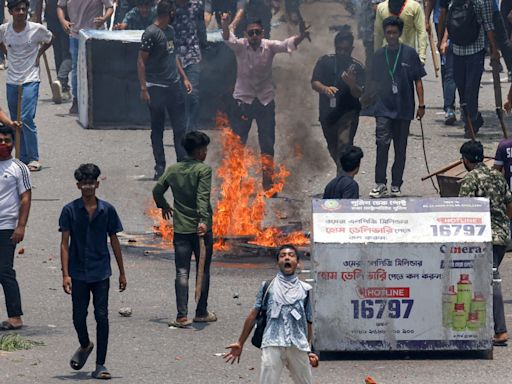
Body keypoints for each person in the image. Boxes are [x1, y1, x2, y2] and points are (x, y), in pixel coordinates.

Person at [222, 14, 308, 193]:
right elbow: (226, 37)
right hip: (243, 101)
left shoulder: (269, 46)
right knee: (238, 144)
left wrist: (301, 35)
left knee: (267, 144)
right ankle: (235, 183)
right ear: (245, 34)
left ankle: (268, 183)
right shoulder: (240, 47)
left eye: (257, 32)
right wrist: (224, 24)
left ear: (262, 33)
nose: (254, 36)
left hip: (265, 101)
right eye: (251, 33)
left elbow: (286, 44)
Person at [59, 163, 127, 380]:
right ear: (78, 185)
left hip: (101, 272)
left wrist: (122, 272)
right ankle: (85, 344)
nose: (88, 187)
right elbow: (64, 243)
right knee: (79, 316)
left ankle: (100, 364)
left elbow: (114, 241)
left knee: (102, 316)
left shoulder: (107, 210)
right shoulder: (70, 210)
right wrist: (65, 274)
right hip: (78, 272)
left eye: (91, 183)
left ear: (97, 184)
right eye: (84, 183)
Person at [224, 244, 319, 384]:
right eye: (282, 255)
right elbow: (253, 314)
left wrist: (308, 350)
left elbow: (308, 321)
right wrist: (240, 342)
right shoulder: (268, 286)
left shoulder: (304, 290)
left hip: (297, 344)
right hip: (272, 342)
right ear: (278, 262)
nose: (287, 257)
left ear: (297, 263)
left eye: (291, 255)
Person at [152, 131, 215, 328]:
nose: (205, 152)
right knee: (202, 270)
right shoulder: (203, 170)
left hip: (181, 229)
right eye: (204, 149)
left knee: (181, 271)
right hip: (200, 230)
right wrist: (203, 220)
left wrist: (163, 205)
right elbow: (202, 197)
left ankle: (181, 316)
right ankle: (201, 312)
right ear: (198, 152)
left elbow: (157, 190)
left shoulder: (173, 169)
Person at [458, 141, 512, 346]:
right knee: (487, 277)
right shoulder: (498, 178)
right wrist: (503, 225)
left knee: (491, 278)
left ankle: (500, 330)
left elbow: (462, 211)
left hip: (483, 238)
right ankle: (482, 325)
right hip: (501, 237)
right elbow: (509, 205)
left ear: (466, 159)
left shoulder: (470, 179)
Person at [367, 16, 425, 198]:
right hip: (383, 108)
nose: (391, 36)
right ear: (384, 34)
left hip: (404, 108)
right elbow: (372, 82)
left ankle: (396, 184)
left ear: (400, 33)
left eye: (394, 32)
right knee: (382, 145)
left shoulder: (409, 53)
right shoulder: (378, 55)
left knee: (400, 148)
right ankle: (380, 183)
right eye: (388, 32)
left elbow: (418, 80)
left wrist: (422, 104)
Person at [137, 0, 192, 180]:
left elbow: (173, 55)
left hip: (174, 86)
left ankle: (182, 164)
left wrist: (184, 77)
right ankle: (160, 166)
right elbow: (141, 61)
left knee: (180, 128)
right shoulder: (151, 34)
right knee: (158, 129)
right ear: (169, 13)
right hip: (157, 88)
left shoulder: (170, 31)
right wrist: (144, 87)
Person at [0, 0, 53, 172]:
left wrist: (39, 54)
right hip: (12, 80)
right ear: (11, 12)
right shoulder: (4, 30)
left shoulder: (36, 29)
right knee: (15, 121)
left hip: (31, 78)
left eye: (24, 9)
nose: (21, 12)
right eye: (18, 9)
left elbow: (50, 39)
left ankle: (34, 158)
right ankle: (21, 157)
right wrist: (6, 53)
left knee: (27, 118)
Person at [439, 0, 498, 138]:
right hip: (457, 50)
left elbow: (488, 24)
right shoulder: (454, 2)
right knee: (461, 88)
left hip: (475, 51)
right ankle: (474, 118)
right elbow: (449, 21)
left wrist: (494, 49)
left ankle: (470, 125)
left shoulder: (483, 2)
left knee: (471, 89)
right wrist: (444, 40)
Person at [311, 26, 365, 176]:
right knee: (332, 146)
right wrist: (325, 89)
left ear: (351, 49)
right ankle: (346, 172)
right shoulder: (325, 61)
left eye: (345, 50)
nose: (342, 53)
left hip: (348, 113)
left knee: (344, 145)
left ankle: (343, 180)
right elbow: (314, 82)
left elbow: (360, 93)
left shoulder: (357, 67)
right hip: (327, 114)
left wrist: (352, 84)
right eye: (339, 49)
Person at [57, 0, 114, 115]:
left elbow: (110, 7)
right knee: (76, 70)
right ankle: (77, 100)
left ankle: (99, 101)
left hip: (95, 34)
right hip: (76, 35)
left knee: (98, 68)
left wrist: (104, 18)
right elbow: (60, 7)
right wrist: (63, 21)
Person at [0, 125, 31, 331]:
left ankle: (15, 316)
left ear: (13, 143)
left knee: (4, 271)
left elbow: (26, 198)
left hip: (7, 226)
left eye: (7, 141)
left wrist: (21, 226)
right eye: (0, 140)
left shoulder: (19, 168)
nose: (3, 144)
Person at [172, 0, 205, 132]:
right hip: (174, 55)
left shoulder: (196, 5)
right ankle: (181, 129)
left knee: (192, 95)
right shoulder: (168, 5)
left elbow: (201, 28)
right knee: (179, 96)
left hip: (192, 54)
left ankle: (191, 130)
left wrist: (205, 48)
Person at [425, 0, 458, 125]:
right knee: (447, 69)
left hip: (457, 25)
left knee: (452, 71)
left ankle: (455, 107)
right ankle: (449, 105)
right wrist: (426, 18)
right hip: (442, 22)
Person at [35, 0, 72, 104]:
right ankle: (62, 82)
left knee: (59, 52)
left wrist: (38, 18)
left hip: (53, 15)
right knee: (69, 53)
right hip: (66, 17)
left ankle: (62, 85)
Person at [374, 0, 428, 64]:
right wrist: (421, 57)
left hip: (402, 57)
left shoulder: (381, 7)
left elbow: (378, 34)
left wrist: (421, 57)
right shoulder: (414, 6)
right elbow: (421, 32)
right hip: (403, 57)